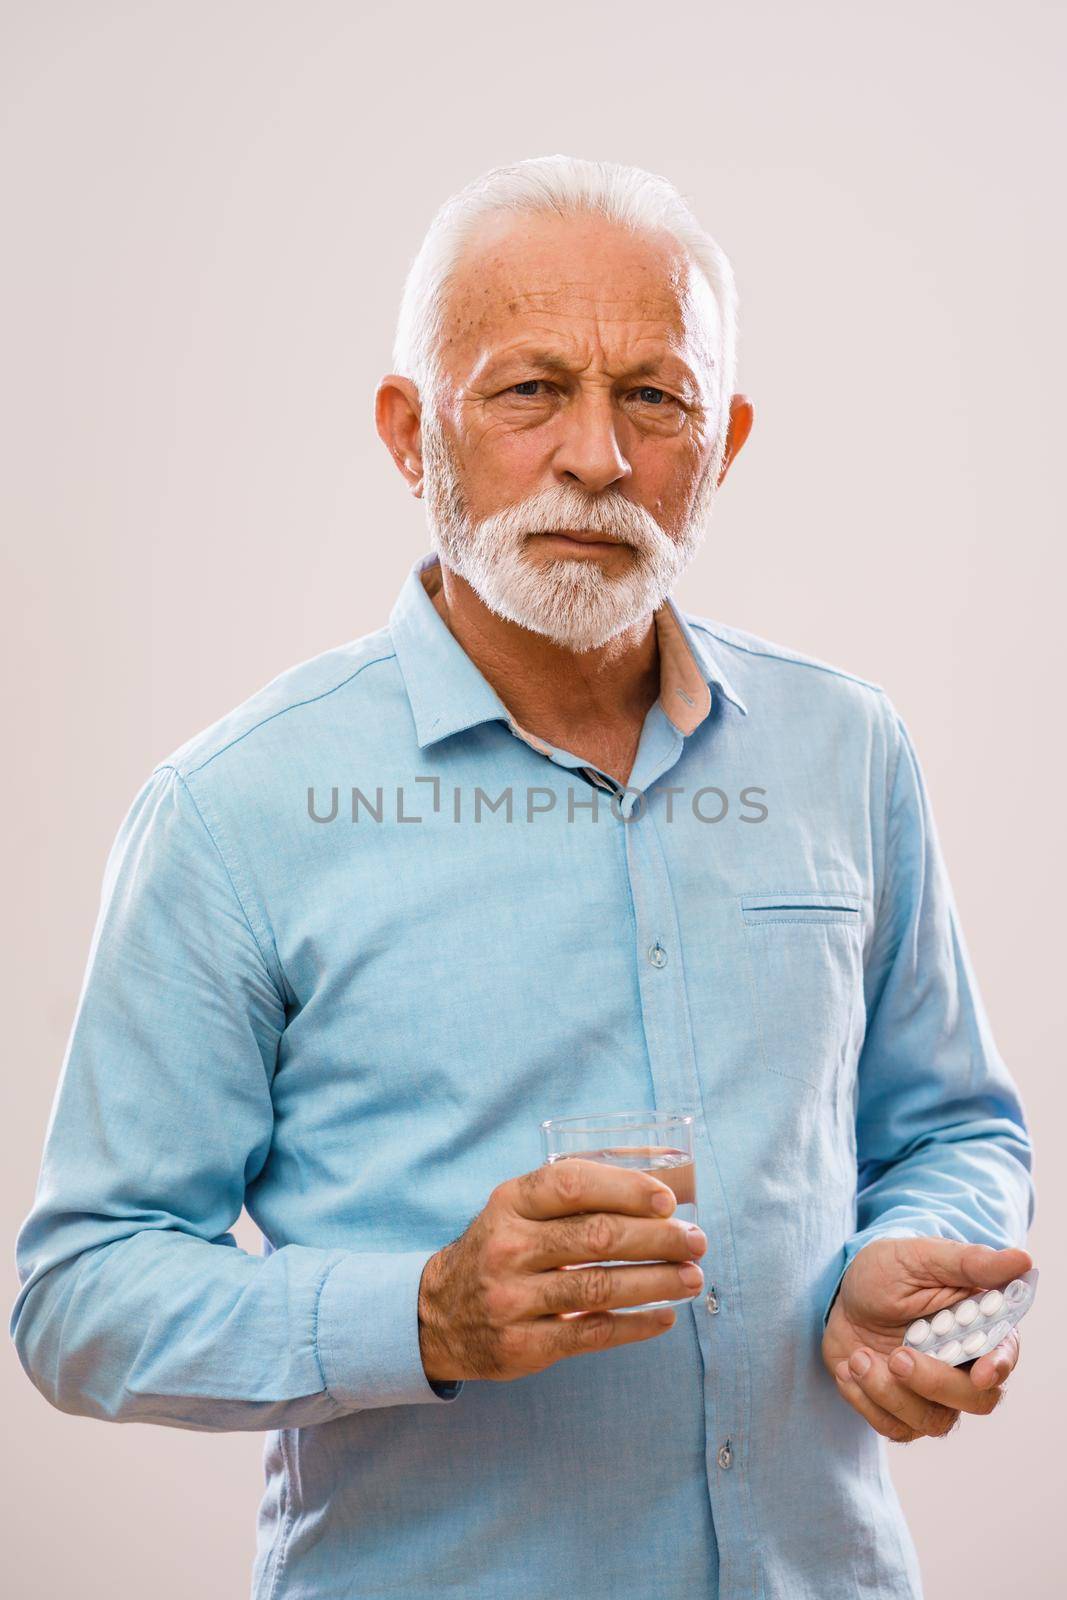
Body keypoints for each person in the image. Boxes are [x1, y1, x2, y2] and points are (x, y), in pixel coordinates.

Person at [11, 155, 1035, 1600]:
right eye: (529, 390)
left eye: (653, 399)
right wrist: (421, 1318)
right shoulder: (233, 813)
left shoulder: (846, 751)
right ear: (407, 432)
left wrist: (924, 1258)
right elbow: (80, 1298)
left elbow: (956, 1128)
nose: (597, 459)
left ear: (723, 442)